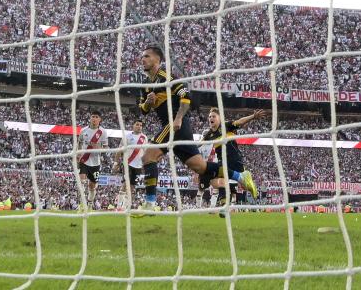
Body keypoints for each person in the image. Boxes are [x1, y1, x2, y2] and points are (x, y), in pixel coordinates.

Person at [136, 45, 257, 215]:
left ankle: (149, 205)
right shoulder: (146, 85)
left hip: (175, 124)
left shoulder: (168, 77)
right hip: (174, 128)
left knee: (148, 156)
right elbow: (142, 110)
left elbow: (186, 97)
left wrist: (178, 118)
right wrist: (148, 103)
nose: (143, 59)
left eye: (147, 56)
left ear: (158, 59)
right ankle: (240, 176)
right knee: (200, 166)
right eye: (142, 56)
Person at [199, 107, 266, 218]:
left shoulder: (226, 126)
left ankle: (246, 181)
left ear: (219, 118)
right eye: (209, 117)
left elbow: (239, 122)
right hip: (223, 162)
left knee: (243, 185)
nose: (211, 118)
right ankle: (225, 206)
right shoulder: (209, 135)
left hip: (235, 160)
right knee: (216, 180)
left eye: (213, 116)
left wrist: (253, 117)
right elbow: (198, 144)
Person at [77, 110, 108, 211]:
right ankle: (82, 204)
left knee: (92, 185)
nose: (94, 119)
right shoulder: (83, 130)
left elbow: (106, 148)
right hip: (84, 160)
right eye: (92, 116)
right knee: (81, 181)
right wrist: (78, 154)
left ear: (100, 119)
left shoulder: (103, 132)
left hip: (96, 163)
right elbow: (79, 143)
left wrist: (98, 147)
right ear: (90, 118)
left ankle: (90, 204)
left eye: (96, 117)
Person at [114, 119, 147, 210]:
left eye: (140, 125)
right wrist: (116, 163)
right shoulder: (127, 137)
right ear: (133, 125)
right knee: (126, 183)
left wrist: (145, 164)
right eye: (137, 124)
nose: (139, 126)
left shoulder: (144, 138)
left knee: (132, 186)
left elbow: (145, 152)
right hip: (127, 163)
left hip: (138, 166)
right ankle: (119, 206)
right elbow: (119, 151)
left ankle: (126, 206)